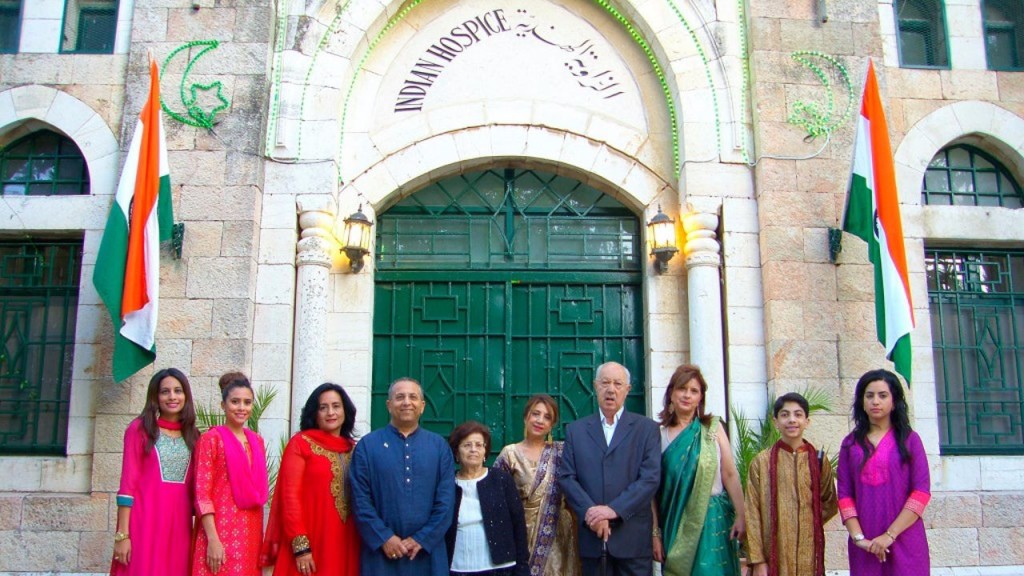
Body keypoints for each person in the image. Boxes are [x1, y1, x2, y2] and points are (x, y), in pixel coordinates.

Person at [558, 361, 661, 576]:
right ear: (595, 386)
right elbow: (567, 477)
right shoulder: (575, 431)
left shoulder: (647, 429)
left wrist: (613, 510)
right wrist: (592, 514)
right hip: (592, 538)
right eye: (605, 383)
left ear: (627, 390)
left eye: (617, 383)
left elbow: (650, 478)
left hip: (632, 540)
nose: (611, 389)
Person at [350, 377, 456, 575]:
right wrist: (384, 538)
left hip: (427, 555)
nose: (407, 402)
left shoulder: (439, 447)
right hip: (381, 555)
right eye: (400, 397)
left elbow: (446, 501)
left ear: (422, 406)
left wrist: (422, 539)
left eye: (413, 397)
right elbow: (359, 500)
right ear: (389, 405)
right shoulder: (367, 446)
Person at [654, 364, 745, 576]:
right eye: (682, 389)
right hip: (676, 522)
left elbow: (730, 474)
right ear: (671, 395)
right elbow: (652, 489)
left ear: (700, 398)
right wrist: (655, 533)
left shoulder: (713, 429)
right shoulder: (658, 435)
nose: (687, 395)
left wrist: (741, 514)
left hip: (713, 519)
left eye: (694, 391)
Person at [838, 369, 931, 576]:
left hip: (906, 541)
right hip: (865, 546)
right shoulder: (850, 444)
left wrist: (889, 535)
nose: (875, 402)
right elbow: (844, 496)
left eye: (882, 395)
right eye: (869, 396)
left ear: (894, 400)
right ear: (862, 401)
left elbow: (921, 493)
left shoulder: (910, 440)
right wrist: (859, 539)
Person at [262, 383, 361, 576]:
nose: (330, 412)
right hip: (311, 541)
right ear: (314, 413)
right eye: (323, 407)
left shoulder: (355, 449)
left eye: (336, 406)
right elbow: (289, 498)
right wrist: (301, 547)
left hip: (347, 540)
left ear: (345, 410)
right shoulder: (301, 444)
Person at [111, 368, 200, 576]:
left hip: (179, 526)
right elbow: (127, 485)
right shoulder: (140, 430)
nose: (172, 397)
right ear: (155, 396)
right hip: (145, 523)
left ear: (186, 396)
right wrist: (122, 536)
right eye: (165, 391)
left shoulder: (194, 436)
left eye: (178, 391)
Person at [745, 392, 838, 576]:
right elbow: (751, 512)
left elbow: (829, 501)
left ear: (807, 421)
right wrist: (758, 561)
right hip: (773, 553)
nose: (792, 420)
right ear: (775, 422)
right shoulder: (761, 462)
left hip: (808, 553)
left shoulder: (818, 460)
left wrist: (805, 521)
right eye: (785, 415)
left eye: (798, 414)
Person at [495, 394, 581, 576]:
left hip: (558, 539)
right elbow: (496, 499)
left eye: (547, 417)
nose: (540, 420)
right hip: (520, 536)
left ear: (552, 425)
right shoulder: (509, 454)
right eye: (536, 414)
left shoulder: (562, 451)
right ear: (526, 417)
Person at [192, 372, 268, 576]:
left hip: (250, 532)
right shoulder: (211, 439)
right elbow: (202, 495)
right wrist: (213, 539)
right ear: (223, 405)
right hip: (219, 532)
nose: (241, 408)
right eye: (235, 402)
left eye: (247, 402)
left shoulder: (257, 441)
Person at [445, 421, 528, 576]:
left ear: (485, 451)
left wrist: (522, 565)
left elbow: (518, 524)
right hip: (458, 566)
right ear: (457, 452)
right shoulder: (448, 483)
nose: (473, 450)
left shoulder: (501, 479)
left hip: (500, 567)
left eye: (479, 445)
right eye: (467, 445)